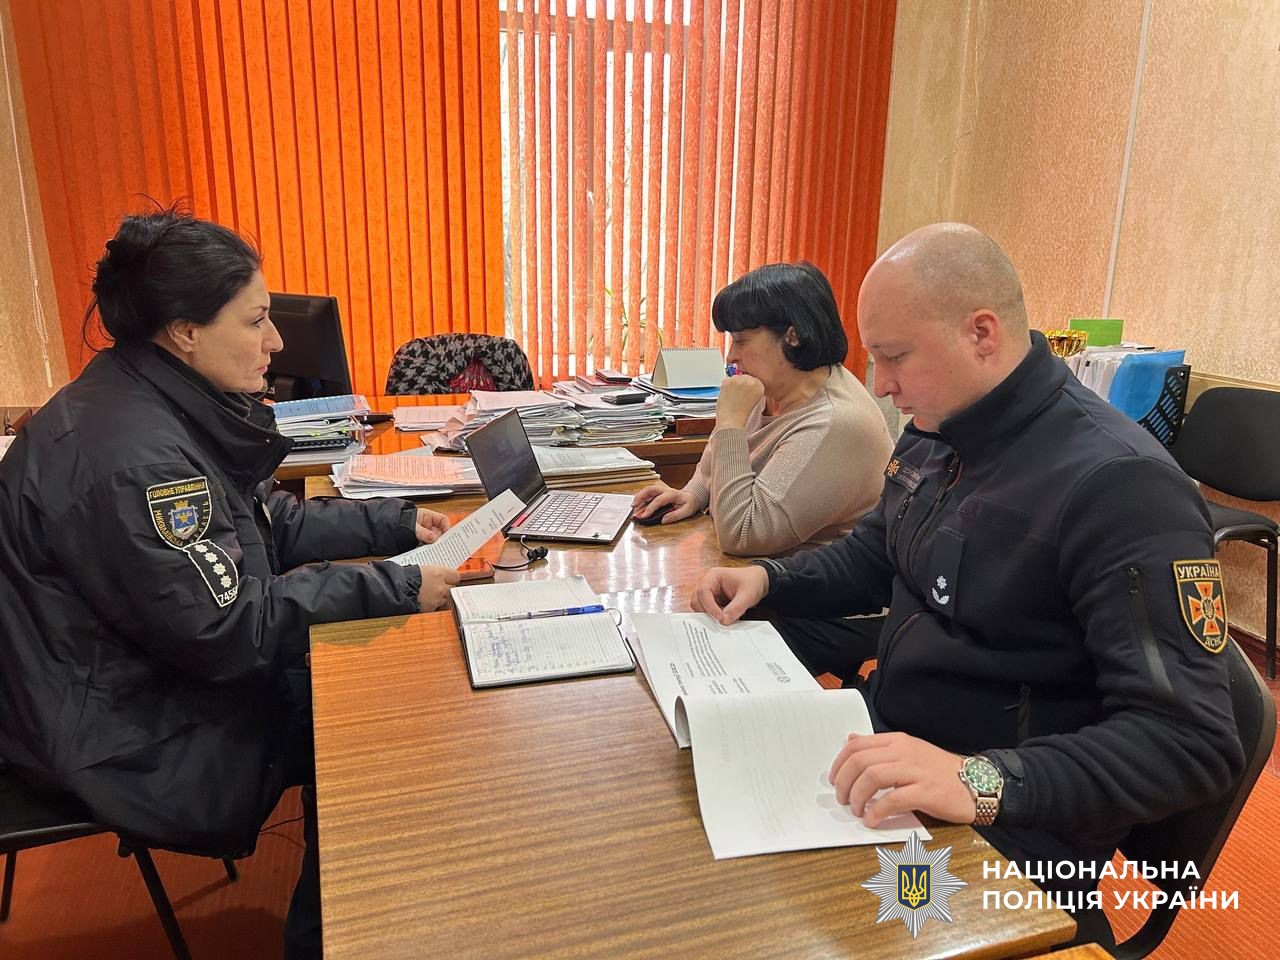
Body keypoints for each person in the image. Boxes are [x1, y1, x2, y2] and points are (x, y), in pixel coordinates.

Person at [690, 223, 1243, 942]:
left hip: (1005, 824)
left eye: (895, 357)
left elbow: (1190, 745)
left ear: (981, 334)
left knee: (765, 930)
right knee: (701, 840)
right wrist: (768, 579)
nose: (879, 385)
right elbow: (875, 556)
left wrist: (974, 780)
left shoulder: (1121, 486)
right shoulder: (938, 427)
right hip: (890, 752)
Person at [0, 208, 459, 959]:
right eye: (255, 321)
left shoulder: (150, 401)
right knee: (377, 723)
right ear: (185, 331)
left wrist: (396, 525)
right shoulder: (141, 460)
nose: (275, 342)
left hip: (121, 677)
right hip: (121, 730)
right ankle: (329, 942)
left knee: (373, 681)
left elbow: (263, 524)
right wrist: (395, 588)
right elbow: (230, 630)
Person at [631, 262, 893, 557]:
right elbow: (714, 468)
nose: (731, 356)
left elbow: (742, 535)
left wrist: (730, 423)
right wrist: (692, 494)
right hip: (751, 573)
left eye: (741, 340)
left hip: (804, 584)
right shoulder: (770, 387)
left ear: (792, 336)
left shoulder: (836, 422)